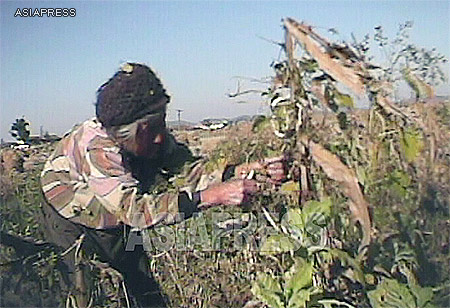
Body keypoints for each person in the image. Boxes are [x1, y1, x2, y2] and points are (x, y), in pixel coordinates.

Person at [39, 62, 286, 307]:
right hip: (72, 219)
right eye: (150, 129)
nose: (161, 137)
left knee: (143, 290)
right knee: (91, 293)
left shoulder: (150, 134)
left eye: (162, 122)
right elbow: (136, 212)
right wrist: (210, 196)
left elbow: (188, 169)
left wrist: (237, 171)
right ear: (123, 133)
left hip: (118, 213)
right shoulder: (98, 151)